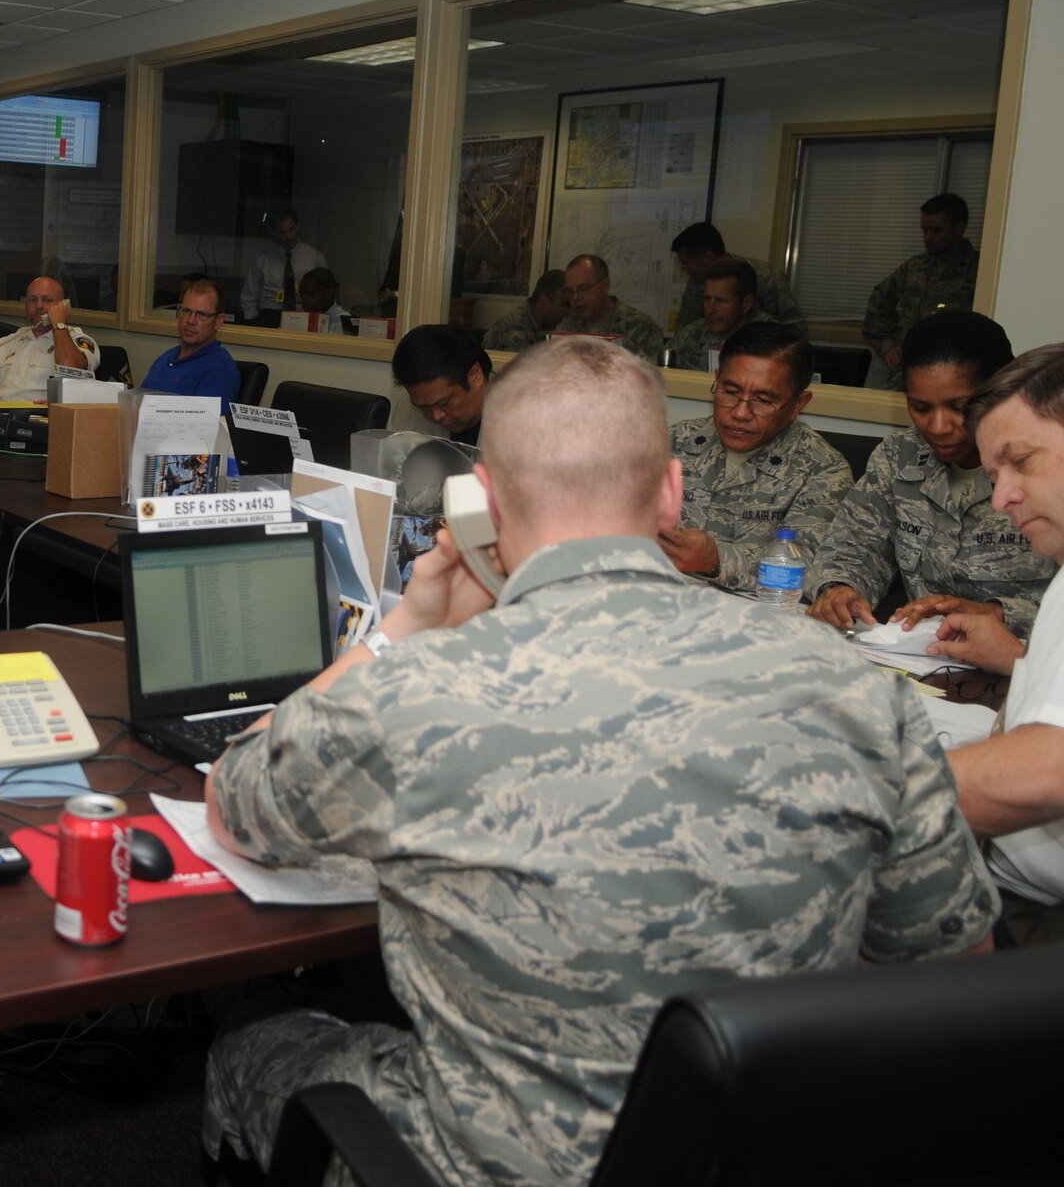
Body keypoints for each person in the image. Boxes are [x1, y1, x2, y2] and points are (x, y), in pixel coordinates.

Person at [200, 337, 997, 1184]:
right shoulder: (856, 687)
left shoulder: (423, 690)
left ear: (483, 504)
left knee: (259, 1039)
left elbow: (236, 798)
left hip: (491, 1166)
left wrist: (408, 627)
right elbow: (952, 968)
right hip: (772, 1148)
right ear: (670, 492)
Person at [926, 344, 1064, 943]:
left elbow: (1048, 770)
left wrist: (870, 794)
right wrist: (1017, 659)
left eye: (1020, 462)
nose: (1002, 497)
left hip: (1034, 914)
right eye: (992, 476)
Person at [807, 309, 1055, 638]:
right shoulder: (900, 456)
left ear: (1000, 388)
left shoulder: (1046, 468)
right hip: (923, 660)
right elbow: (851, 548)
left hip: (1027, 662)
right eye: (921, 408)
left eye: (959, 407)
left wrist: (997, 613)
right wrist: (840, 589)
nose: (937, 427)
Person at [658, 322, 854, 593]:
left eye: (763, 400)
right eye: (731, 392)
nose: (740, 412)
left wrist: (716, 560)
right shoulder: (674, 441)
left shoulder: (823, 470)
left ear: (798, 404)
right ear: (717, 378)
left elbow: (807, 568)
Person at [863, 192, 981, 389]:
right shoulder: (915, 268)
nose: (928, 238)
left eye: (936, 230)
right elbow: (879, 302)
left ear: (959, 229)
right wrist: (888, 345)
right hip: (907, 373)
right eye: (924, 230)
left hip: (954, 377)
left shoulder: (980, 271)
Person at [0, 274, 97, 401]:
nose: (39, 306)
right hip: (0, 417)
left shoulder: (79, 340)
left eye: (47, 300)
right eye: (32, 300)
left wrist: (59, 325)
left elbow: (70, 367)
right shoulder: (9, 341)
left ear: (63, 306)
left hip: (43, 420)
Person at [668, 222, 804, 332]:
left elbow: (795, 329)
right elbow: (686, 327)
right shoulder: (696, 280)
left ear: (707, 257)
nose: (683, 269)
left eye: (686, 263)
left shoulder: (764, 276)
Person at [140, 278, 239, 413]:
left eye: (201, 314)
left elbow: (201, 429)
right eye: (186, 311)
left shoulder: (220, 370)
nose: (191, 321)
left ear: (218, 321)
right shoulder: (167, 356)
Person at [551, 253, 665, 362]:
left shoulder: (641, 328)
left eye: (584, 289)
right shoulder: (568, 325)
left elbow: (653, 377)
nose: (576, 298)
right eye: (570, 292)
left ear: (605, 285)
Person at [390, 324, 490, 446]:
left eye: (444, 403)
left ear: (475, 375)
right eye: (424, 407)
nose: (436, 416)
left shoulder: (516, 421)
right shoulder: (408, 412)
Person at [666, 258, 758, 372]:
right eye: (707, 299)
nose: (711, 309)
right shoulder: (691, 336)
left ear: (746, 303)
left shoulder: (772, 342)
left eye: (720, 301)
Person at [240, 208, 327, 323]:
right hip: (269, 315)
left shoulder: (314, 258)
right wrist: (252, 323)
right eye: (282, 232)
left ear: (298, 226)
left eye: (292, 229)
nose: (289, 236)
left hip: (303, 316)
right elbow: (249, 297)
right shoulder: (262, 260)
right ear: (274, 233)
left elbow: (326, 294)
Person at [480, 268, 567, 352]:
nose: (569, 310)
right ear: (543, 301)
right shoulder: (514, 326)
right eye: (565, 304)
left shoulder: (549, 322)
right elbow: (524, 365)